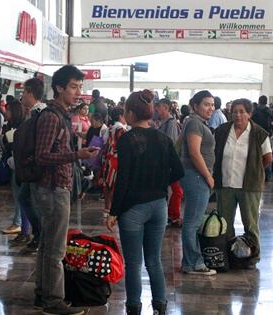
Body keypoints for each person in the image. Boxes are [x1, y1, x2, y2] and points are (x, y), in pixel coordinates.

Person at [106, 89, 184, 315]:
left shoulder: (128, 139)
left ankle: (134, 308)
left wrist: (113, 212)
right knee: (154, 261)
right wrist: (160, 184)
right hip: (159, 205)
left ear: (130, 112)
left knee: (133, 263)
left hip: (133, 208)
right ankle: (160, 307)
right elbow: (178, 170)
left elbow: (123, 179)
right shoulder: (163, 137)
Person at [34, 65, 98, 315]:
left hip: (57, 186)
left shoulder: (61, 114)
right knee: (55, 248)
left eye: (80, 87)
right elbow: (42, 155)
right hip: (52, 188)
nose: (78, 92)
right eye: (73, 87)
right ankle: (52, 300)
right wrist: (76, 154)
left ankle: (43, 295)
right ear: (59, 87)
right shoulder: (52, 116)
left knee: (48, 244)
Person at [214, 98, 272, 270]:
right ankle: (228, 256)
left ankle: (253, 258)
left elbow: (268, 158)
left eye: (242, 111)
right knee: (225, 223)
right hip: (225, 183)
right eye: (234, 111)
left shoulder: (259, 133)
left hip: (249, 186)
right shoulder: (222, 131)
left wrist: (255, 171)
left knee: (250, 223)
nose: (238, 115)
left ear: (249, 114)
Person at [180, 90, 217, 275]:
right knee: (192, 222)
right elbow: (194, 153)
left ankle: (189, 263)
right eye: (206, 104)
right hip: (196, 175)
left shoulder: (196, 122)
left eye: (212, 104)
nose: (210, 108)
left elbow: (180, 146)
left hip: (195, 175)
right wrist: (208, 177)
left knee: (192, 220)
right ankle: (195, 263)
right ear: (196, 106)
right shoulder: (194, 123)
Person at [17, 77, 47, 251]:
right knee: (24, 198)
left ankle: (40, 234)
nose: (22, 96)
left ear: (30, 94)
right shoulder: (33, 113)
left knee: (34, 201)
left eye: (24, 93)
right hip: (31, 165)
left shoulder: (39, 114)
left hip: (35, 166)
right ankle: (39, 234)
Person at [2, 100, 32, 245]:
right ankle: (23, 228)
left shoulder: (23, 126)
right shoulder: (12, 125)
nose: (5, 112)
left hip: (21, 166)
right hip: (16, 165)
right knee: (21, 197)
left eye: (7, 110)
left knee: (22, 197)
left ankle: (23, 228)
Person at [155, 98, 183, 227]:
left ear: (166, 108)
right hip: (164, 163)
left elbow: (170, 145)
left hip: (167, 163)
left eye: (159, 107)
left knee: (176, 191)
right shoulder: (163, 123)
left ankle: (173, 215)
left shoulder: (170, 124)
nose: (157, 109)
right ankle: (172, 215)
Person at [100, 107, 128, 218]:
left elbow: (105, 142)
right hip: (117, 159)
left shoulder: (110, 127)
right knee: (114, 185)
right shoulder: (121, 129)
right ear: (120, 116)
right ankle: (113, 209)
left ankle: (107, 208)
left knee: (108, 184)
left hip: (109, 158)